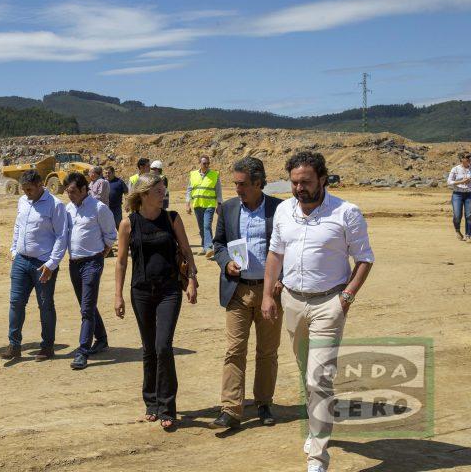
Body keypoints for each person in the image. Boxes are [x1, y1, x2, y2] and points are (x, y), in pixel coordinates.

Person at [262, 151, 374, 472]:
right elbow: (275, 254)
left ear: (323, 179)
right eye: (295, 182)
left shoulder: (347, 212)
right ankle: (316, 425)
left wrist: (347, 298)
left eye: (306, 182)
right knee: (305, 372)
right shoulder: (284, 210)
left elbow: (364, 258)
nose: (299, 188)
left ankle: (318, 458)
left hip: (330, 303)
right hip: (293, 302)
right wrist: (269, 294)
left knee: (319, 378)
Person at [114, 173, 198, 430]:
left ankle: (167, 406)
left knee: (163, 346)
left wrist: (192, 279)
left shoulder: (172, 218)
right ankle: (151, 402)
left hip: (169, 291)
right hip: (140, 291)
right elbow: (121, 261)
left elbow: (186, 251)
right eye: (159, 191)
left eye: (164, 190)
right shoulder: (128, 224)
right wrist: (117, 294)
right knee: (149, 348)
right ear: (144, 194)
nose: (164, 195)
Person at [210, 157, 283, 429]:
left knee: (267, 351)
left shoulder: (280, 209)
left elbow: (289, 247)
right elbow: (218, 244)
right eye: (235, 184)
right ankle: (231, 409)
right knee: (234, 350)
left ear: (258, 183)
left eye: (242, 184)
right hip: (237, 291)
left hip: (269, 293)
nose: (237, 189)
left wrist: (281, 280)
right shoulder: (227, 208)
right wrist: (225, 261)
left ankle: (264, 403)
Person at [0, 169, 68, 361]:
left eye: (29, 189)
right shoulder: (23, 201)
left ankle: (47, 347)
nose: (26, 193)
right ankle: (14, 345)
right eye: (24, 189)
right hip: (21, 261)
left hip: (43, 264)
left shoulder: (55, 205)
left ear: (40, 185)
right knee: (16, 303)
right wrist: (14, 251)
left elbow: (61, 237)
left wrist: (52, 264)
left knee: (45, 305)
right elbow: (18, 226)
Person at [64, 172, 117, 370]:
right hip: (74, 263)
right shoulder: (67, 209)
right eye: (68, 191)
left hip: (92, 263)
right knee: (88, 304)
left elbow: (111, 233)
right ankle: (101, 338)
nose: (70, 195)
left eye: (74, 191)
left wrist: (104, 250)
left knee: (86, 308)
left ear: (85, 189)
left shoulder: (98, 208)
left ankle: (83, 351)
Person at [186, 155, 222, 255]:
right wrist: (187, 204)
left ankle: (209, 247)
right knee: (202, 227)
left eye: (207, 163)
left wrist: (219, 204)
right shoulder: (193, 174)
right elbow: (189, 189)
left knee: (206, 226)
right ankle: (204, 246)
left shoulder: (214, 174)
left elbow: (218, 190)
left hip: (209, 205)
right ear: (200, 164)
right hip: (197, 205)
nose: (206, 165)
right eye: (204, 163)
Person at [447, 152, 471, 241]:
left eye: (470, 157)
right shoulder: (455, 169)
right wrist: (461, 182)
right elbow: (449, 182)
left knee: (469, 215)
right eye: (467, 157)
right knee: (457, 215)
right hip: (457, 194)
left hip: (469, 194)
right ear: (461, 159)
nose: (469, 159)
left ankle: (468, 235)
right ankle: (457, 230)